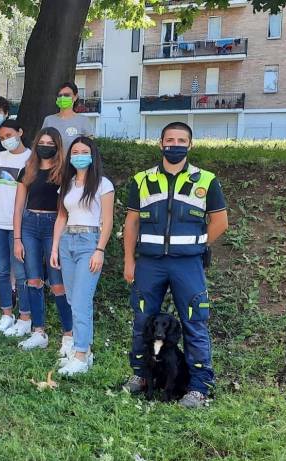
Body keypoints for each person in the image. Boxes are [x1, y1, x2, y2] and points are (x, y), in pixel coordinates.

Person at [122, 122, 227, 408]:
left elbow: (220, 221)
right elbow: (131, 222)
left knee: (194, 323)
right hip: (150, 263)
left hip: (187, 265)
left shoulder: (206, 180)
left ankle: (198, 387)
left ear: (190, 145)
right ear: (160, 143)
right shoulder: (142, 180)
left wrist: (198, 243)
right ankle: (141, 376)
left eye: (182, 140)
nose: (175, 144)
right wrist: (129, 259)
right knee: (143, 321)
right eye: (170, 139)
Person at [50, 136, 113, 376]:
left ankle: (81, 354)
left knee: (81, 301)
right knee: (71, 300)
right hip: (67, 241)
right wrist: (55, 247)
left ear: (92, 154)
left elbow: (107, 220)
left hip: (89, 242)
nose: (78, 155)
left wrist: (100, 249)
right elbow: (61, 217)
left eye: (83, 151)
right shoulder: (67, 184)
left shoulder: (102, 184)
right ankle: (82, 348)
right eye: (74, 151)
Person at [12, 127, 73, 352]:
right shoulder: (27, 169)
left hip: (53, 225)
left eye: (50, 143)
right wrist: (17, 238)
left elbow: (65, 208)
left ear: (57, 147)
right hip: (29, 225)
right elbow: (18, 207)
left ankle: (69, 335)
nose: (45, 146)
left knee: (57, 282)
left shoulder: (65, 172)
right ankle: (38, 331)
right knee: (33, 280)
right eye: (42, 142)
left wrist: (58, 241)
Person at [0, 119, 32, 336]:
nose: (6, 140)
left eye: (9, 135)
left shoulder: (32, 158)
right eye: (2, 137)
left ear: (20, 132)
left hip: (19, 224)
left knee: (21, 272)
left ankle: (25, 317)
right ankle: (6, 314)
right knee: (2, 271)